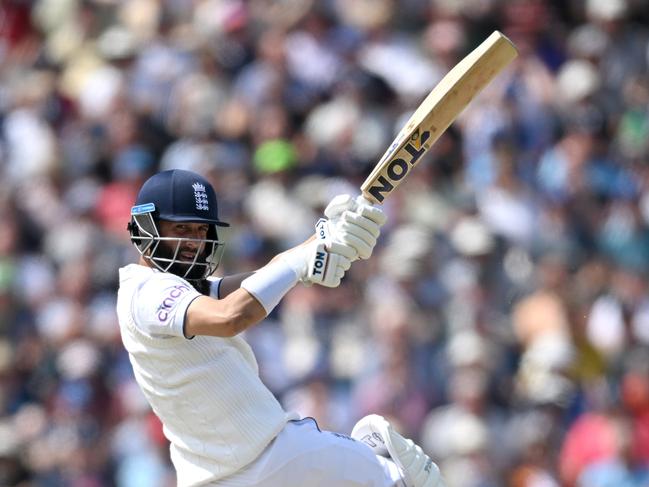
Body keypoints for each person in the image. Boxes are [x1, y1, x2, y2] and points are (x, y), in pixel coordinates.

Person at [116, 168, 444, 487]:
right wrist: (300, 263)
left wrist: (321, 240)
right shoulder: (146, 291)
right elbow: (230, 316)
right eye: (182, 229)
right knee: (412, 478)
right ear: (146, 228)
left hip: (226, 471)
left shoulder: (184, 289)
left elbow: (259, 278)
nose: (194, 242)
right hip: (270, 456)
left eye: (201, 232)